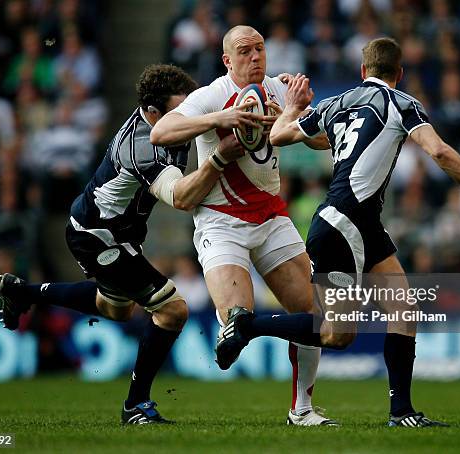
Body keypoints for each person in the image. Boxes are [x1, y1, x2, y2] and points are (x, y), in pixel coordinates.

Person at [215, 37, 460, 427]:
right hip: (346, 224)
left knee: (403, 310)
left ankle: (402, 413)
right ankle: (248, 325)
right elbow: (440, 151)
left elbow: (279, 136)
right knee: (336, 334)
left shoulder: (336, 104)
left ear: (363, 71)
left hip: (359, 223)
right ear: (400, 73)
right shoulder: (402, 103)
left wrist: (292, 110)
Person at [0, 64, 245, 425]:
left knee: (116, 309)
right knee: (173, 310)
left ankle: (26, 293)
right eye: (179, 111)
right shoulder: (143, 146)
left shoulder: (171, 118)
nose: (187, 117)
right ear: (153, 113)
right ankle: (136, 405)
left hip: (115, 231)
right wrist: (221, 158)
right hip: (98, 237)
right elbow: (181, 197)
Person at [150, 25, 336, 426]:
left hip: (271, 216)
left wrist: (296, 112)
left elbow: (321, 139)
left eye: (260, 49)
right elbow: (159, 132)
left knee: (313, 314)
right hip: (220, 221)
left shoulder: (276, 89)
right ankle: (239, 323)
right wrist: (223, 118)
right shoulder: (210, 96)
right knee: (235, 311)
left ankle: (301, 410)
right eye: (245, 51)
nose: (255, 57)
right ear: (227, 60)